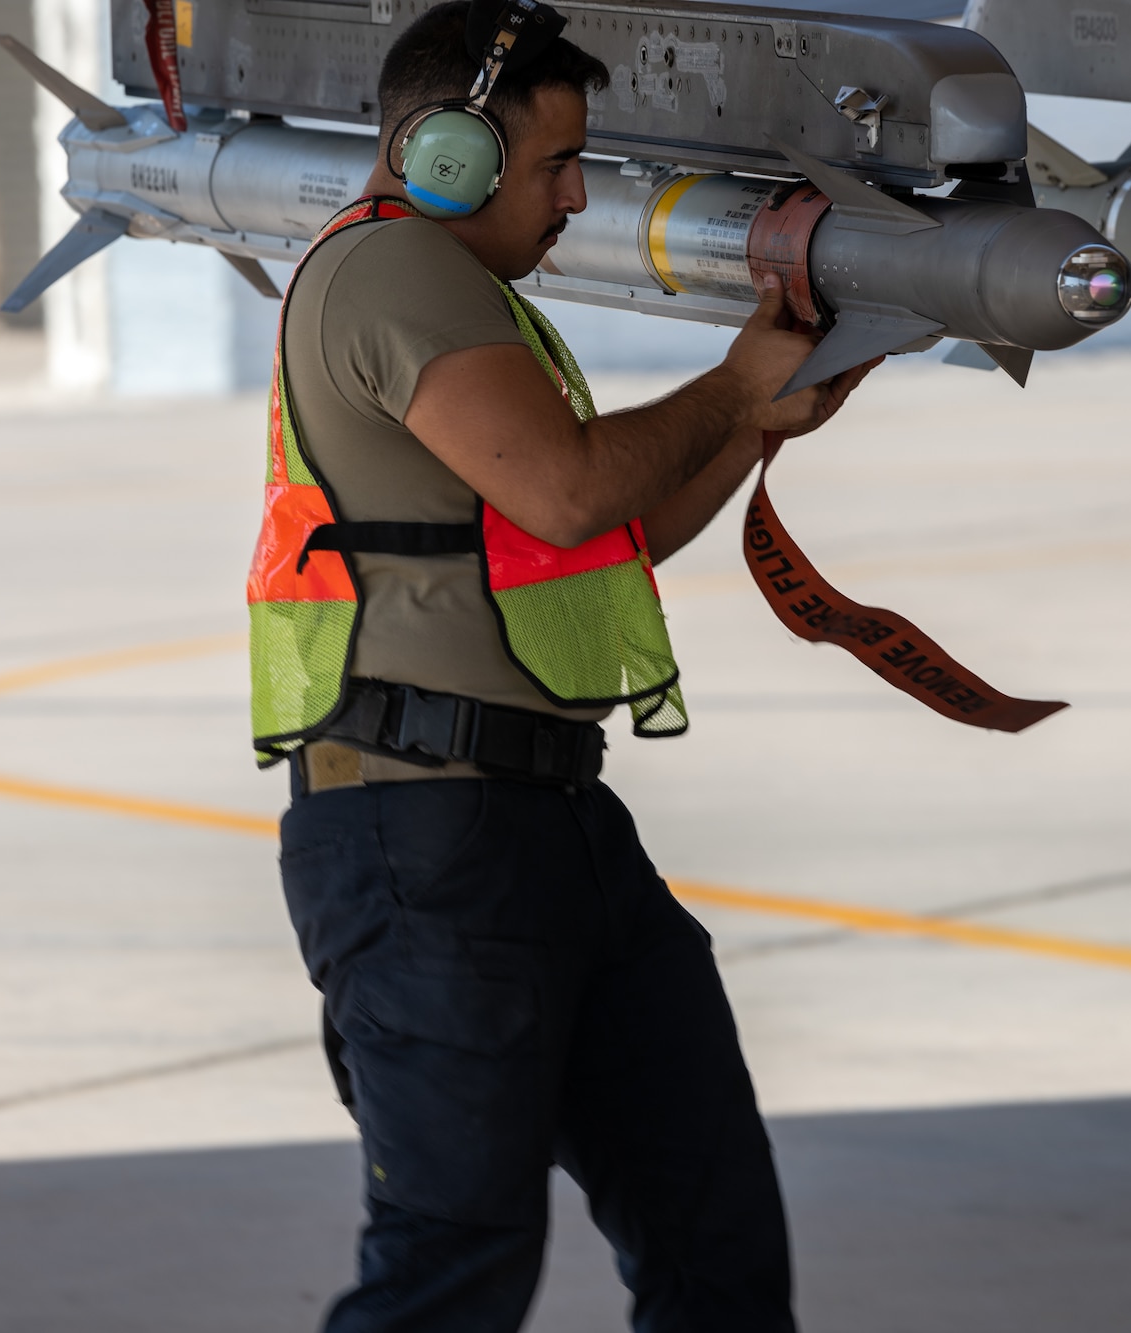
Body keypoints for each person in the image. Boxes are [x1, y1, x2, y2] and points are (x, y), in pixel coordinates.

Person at [249, 2, 875, 1328]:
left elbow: (618, 532)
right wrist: (727, 385)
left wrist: (754, 424)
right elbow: (573, 491)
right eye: (555, 166)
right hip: (427, 836)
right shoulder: (393, 272)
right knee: (452, 1263)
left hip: (545, 822)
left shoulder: (471, 304)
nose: (579, 199)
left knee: (716, 1241)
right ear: (445, 159)